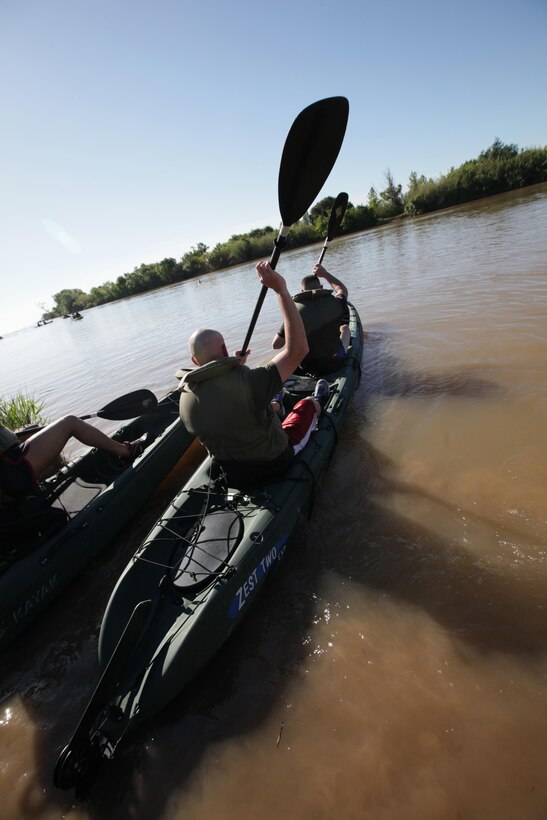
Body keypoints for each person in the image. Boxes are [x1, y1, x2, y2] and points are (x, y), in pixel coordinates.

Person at [178, 260, 330, 487]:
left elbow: (225, 405)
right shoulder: (248, 381)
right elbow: (298, 349)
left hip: (233, 470)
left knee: (265, 405)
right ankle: (318, 400)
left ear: (194, 361)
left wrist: (233, 367)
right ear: (224, 350)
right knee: (306, 405)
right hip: (274, 461)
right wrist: (280, 290)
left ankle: (276, 404)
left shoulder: (185, 398)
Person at [0, 418, 145, 501]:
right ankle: (126, 452)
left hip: (9, 475)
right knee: (70, 423)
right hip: (12, 469)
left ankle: (32, 496)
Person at [272, 262, 350, 376]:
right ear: (321, 288)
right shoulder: (337, 302)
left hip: (308, 367)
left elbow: (276, 345)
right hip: (335, 361)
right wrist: (325, 274)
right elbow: (342, 290)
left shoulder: (293, 312)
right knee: (345, 329)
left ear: (302, 291)